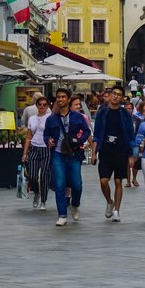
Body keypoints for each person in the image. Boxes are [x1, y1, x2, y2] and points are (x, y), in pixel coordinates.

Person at [43, 88, 91, 226]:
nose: (60, 99)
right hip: (57, 154)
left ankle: (75, 205)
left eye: (63, 97)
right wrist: (48, 141)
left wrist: (79, 141)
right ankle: (62, 215)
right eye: (58, 97)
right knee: (59, 184)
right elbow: (46, 134)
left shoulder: (77, 117)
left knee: (77, 185)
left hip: (74, 153)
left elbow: (87, 131)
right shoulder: (51, 119)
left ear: (68, 99)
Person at [90, 84, 136, 221]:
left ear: (122, 98)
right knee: (104, 181)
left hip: (121, 151)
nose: (115, 96)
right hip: (105, 151)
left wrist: (132, 155)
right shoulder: (102, 113)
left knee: (118, 181)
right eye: (114, 93)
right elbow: (97, 134)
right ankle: (109, 202)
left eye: (119, 95)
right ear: (110, 95)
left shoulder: (125, 115)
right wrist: (93, 153)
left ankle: (117, 210)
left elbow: (130, 135)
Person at [21, 95, 52, 211]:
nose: (42, 106)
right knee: (32, 175)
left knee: (44, 175)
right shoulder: (32, 118)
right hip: (34, 148)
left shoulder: (50, 117)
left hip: (46, 148)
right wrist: (25, 153)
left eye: (44, 104)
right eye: (40, 104)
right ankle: (37, 192)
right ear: (36, 105)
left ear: (47, 106)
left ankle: (43, 200)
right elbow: (28, 137)